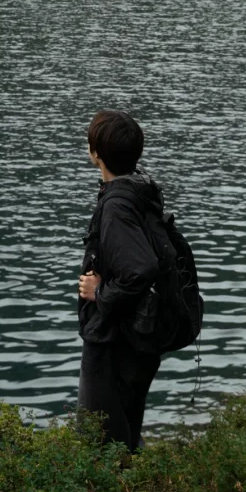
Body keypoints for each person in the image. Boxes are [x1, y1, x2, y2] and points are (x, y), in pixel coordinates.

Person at [76, 108, 164, 452]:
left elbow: (141, 268)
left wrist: (100, 294)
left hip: (114, 340)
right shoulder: (141, 190)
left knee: (97, 442)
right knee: (126, 430)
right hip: (139, 338)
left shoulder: (116, 206)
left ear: (96, 154)